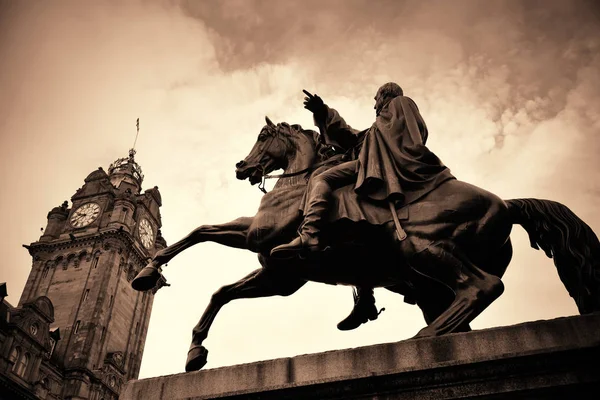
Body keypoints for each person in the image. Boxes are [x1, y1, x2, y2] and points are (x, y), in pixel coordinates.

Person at [271, 82, 456, 330]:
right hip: (369, 172)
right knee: (352, 228)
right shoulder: (374, 132)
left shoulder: (397, 108)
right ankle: (365, 298)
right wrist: (322, 111)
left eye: (376, 99)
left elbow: (409, 140)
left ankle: (309, 234)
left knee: (323, 178)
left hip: (375, 171)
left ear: (385, 96)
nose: (375, 104)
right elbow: (347, 134)